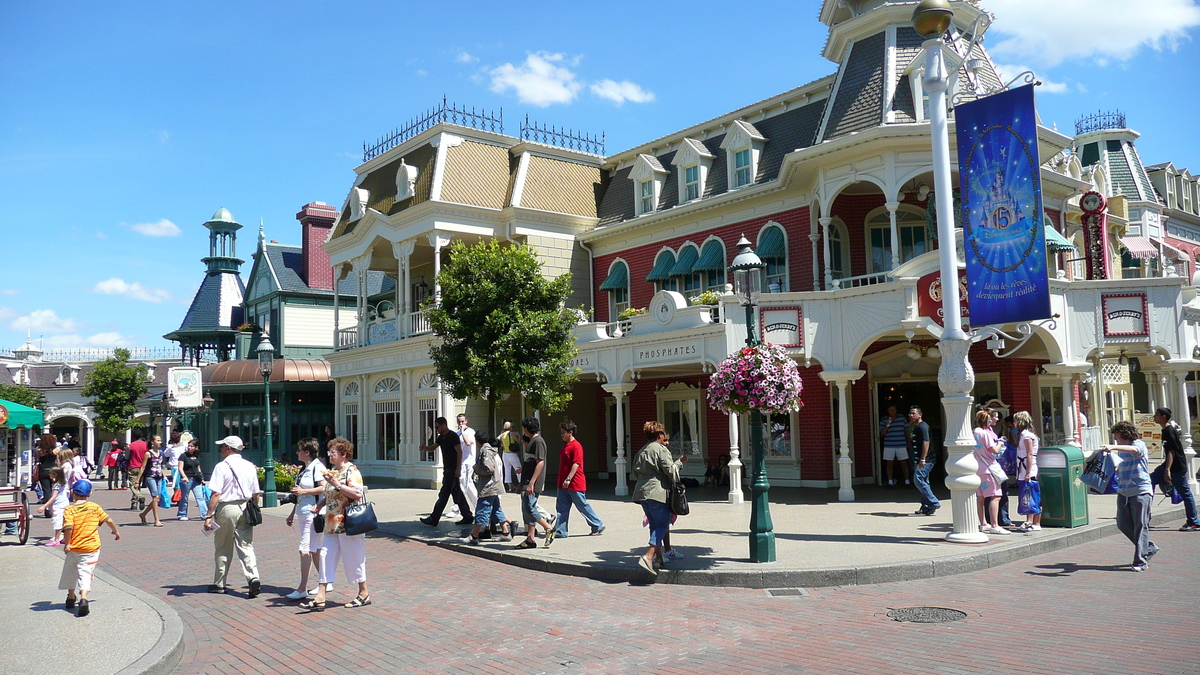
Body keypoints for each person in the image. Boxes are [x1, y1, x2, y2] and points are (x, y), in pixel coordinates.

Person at [302, 437, 369, 611]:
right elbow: (330, 493)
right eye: (330, 451)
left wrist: (337, 485)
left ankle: (363, 593)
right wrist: (320, 505)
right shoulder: (334, 471)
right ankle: (321, 595)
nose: (330, 454)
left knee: (354, 558)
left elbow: (357, 494)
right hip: (331, 524)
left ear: (344, 454)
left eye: (333, 452)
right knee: (325, 557)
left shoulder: (352, 471)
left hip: (348, 523)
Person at [203, 436, 262, 597]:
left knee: (223, 546)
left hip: (227, 508)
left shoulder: (222, 466)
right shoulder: (249, 466)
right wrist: (254, 508)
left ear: (229, 448)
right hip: (245, 506)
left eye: (222, 446)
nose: (220, 449)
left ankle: (220, 583)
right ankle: (253, 577)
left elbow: (216, 493)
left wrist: (209, 515)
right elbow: (256, 493)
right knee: (246, 545)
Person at [56, 479, 119, 617]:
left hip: (74, 547)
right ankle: (84, 598)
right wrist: (115, 531)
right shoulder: (94, 507)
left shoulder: (70, 509)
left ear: (72, 492)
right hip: (91, 548)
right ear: (89, 493)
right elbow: (108, 520)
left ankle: (71, 597)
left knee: (70, 571)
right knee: (85, 572)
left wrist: (67, 544)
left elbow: (68, 528)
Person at [1103, 421, 1158, 571]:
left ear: (1124, 434)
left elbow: (1134, 450)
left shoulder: (1138, 444)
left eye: (1117, 436)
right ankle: (1149, 547)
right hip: (1124, 491)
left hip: (1140, 491)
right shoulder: (1122, 450)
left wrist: (1113, 447)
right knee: (1122, 523)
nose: (1115, 439)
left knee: (1140, 526)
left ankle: (1140, 561)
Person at [632, 421, 677, 576]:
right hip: (657, 491)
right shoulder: (660, 449)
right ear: (659, 435)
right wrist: (680, 463)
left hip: (642, 492)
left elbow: (635, 471)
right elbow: (670, 470)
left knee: (654, 524)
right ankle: (649, 556)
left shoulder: (642, 451)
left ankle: (659, 558)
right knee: (663, 524)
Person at [285, 438, 327, 600]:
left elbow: (324, 487)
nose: (297, 453)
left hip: (313, 514)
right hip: (303, 513)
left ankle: (302, 588)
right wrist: (291, 513)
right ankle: (325, 581)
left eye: (299, 450)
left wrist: (304, 492)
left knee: (304, 549)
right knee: (314, 550)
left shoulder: (317, 467)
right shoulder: (306, 468)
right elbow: (299, 494)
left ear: (307, 452)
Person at [418, 417, 474, 527]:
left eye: (437, 427)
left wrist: (458, 469)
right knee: (457, 493)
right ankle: (467, 516)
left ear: (444, 425)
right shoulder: (441, 437)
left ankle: (434, 519)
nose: (436, 429)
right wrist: (425, 448)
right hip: (447, 469)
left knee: (443, 494)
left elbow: (459, 452)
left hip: (452, 470)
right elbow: (433, 448)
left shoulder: (452, 436)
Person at [554, 420, 605, 538]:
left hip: (574, 483)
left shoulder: (576, 446)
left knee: (582, 505)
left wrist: (568, 479)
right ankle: (561, 531)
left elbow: (576, 463)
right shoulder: (565, 445)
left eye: (563, 433)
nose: (561, 435)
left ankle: (597, 524)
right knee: (561, 507)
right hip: (562, 483)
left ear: (570, 432)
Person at [515, 415, 556, 550]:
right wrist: (521, 483)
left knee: (530, 508)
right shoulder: (530, 442)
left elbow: (540, 463)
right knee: (526, 510)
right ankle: (530, 539)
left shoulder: (538, 442)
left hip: (533, 482)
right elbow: (528, 464)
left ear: (527, 428)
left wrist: (531, 483)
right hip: (526, 481)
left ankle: (548, 528)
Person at [462, 434, 513, 545]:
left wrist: (476, 468)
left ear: (478, 442)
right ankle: (505, 532)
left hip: (488, 487)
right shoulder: (489, 450)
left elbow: (488, 469)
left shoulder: (486, 451)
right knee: (496, 510)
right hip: (493, 486)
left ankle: (474, 536)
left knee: (482, 510)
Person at [1157, 407, 1200, 532]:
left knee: (1185, 493)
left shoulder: (1170, 431)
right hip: (1168, 465)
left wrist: (1167, 470)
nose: (1154, 417)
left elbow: (1172, 451)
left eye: (1157, 415)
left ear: (1163, 417)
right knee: (1149, 481)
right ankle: (1141, 517)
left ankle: (1194, 521)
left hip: (1177, 467)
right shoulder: (1165, 430)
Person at [973, 409, 1010, 536]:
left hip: (977, 468)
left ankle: (983, 523)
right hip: (988, 467)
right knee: (995, 496)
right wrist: (1000, 442)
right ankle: (995, 525)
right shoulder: (985, 433)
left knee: (981, 497)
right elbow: (994, 450)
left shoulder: (974, 433)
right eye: (989, 419)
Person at [1013, 411, 1042, 531]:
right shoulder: (1024, 435)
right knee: (1029, 494)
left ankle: (1031, 522)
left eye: (1015, 421)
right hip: (1025, 466)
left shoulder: (1026, 436)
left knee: (1030, 494)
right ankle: (1033, 522)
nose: (1014, 423)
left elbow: (1030, 453)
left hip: (1027, 467)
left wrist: (1028, 472)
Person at [910, 407, 940, 515]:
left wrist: (923, 459)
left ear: (920, 414)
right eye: (910, 414)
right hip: (920, 459)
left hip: (927, 459)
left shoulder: (923, 426)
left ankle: (933, 502)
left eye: (913, 413)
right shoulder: (916, 426)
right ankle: (926, 506)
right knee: (924, 481)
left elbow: (926, 442)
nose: (911, 415)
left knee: (918, 479)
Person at [879, 404, 910, 487]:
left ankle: (907, 481)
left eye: (894, 410)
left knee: (904, 463)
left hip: (901, 444)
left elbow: (907, 430)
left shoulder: (902, 418)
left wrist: (909, 442)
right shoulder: (884, 419)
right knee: (889, 463)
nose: (892, 412)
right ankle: (890, 481)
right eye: (890, 410)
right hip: (889, 445)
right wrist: (887, 425)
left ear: (896, 410)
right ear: (888, 411)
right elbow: (882, 433)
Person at [36, 466, 68, 545]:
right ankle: (65, 538)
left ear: (55, 475)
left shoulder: (56, 485)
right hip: (65, 502)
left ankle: (56, 540)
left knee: (57, 521)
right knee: (64, 521)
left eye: (50, 474)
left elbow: (54, 496)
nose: (49, 475)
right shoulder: (63, 482)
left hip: (58, 504)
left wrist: (44, 506)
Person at [177, 439, 208, 522]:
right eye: (189, 446)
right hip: (187, 479)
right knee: (184, 498)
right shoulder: (183, 456)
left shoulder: (196, 455)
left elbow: (198, 467)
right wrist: (184, 476)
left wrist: (202, 478)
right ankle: (182, 514)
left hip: (196, 479)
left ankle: (204, 514)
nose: (189, 447)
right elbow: (180, 468)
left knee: (200, 497)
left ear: (196, 447)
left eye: (191, 446)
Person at [455, 413, 479, 517]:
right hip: (461, 461)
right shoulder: (457, 433)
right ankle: (477, 505)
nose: (460, 423)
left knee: (462, 483)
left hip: (468, 462)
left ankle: (457, 507)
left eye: (462, 421)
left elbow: (468, 443)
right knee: (468, 484)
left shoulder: (470, 432)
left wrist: (462, 431)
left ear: (466, 421)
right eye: (459, 421)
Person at [139, 436, 165, 527]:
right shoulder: (148, 453)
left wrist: (164, 476)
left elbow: (160, 466)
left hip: (159, 477)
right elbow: (143, 467)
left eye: (160, 440)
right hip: (151, 477)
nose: (160, 442)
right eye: (158, 440)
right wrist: (137, 481)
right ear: (152, 442)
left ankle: (143, 514)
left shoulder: (161, 453)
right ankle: (156, 520)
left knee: (158, 499)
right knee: (155, 498)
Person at [498, 420, 523, 493]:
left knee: (507, 470)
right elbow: (518, 441)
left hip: (505, 454)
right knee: (518, 469)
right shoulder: (512, 434)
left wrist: (502, 444)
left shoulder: (502, 434)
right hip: (512, 454)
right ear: (510, 428)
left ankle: (510, 486)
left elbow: (498, 438)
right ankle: (521, 484)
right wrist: (518, 436)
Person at [127, 430, 148, 510]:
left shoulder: (130, 446)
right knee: (137, 485)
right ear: (141, 436)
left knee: (132, 485)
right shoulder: (146, 445)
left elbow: (127, 457)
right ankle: (134, 503)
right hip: (143, 467)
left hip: (133, 466)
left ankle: (140, 497)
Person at [35, 435, 58, 508]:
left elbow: (38, 460)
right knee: (55, 489)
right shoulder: (56, 450)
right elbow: (58, 462)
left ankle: (48, 509)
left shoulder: (40, 451)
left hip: (43, 470)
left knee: (46, 490)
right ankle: (55, 506)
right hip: (53, 470)